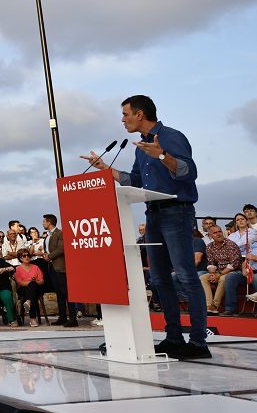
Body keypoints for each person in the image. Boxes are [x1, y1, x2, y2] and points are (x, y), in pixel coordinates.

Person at [82, 95, 209, 359]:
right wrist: (106, 169)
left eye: (125, 114)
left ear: (140, 114)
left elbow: (189, 172)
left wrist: (162, 154)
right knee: (160, 278)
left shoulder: (171, 136)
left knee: (186, 275)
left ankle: (198, 342)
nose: (123, 119)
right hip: (153, 215)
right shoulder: (141, 148)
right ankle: (174, 337)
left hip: (177, 213)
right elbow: (136, 180)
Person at [201, 226, 242, 314]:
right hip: (219, 271)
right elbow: (211, 262)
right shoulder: (209, 246)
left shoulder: (231, 244)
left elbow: (234, 264)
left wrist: (219, 274)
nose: (218, 234)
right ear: (211, 235)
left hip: (234, 272)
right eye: (215, 233)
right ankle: (208, 305)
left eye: (219, 231)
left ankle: (215, 306)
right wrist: (212, 274)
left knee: (224, 278)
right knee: (203, 277)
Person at [14, 250, 45, 327]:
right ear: (20, 258)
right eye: (24, 256)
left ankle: (28, 301)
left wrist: (34, 283)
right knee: (32, 293)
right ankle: (33, 319)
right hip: (23, 289)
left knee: (33, 289)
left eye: (28, 255)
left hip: (36, 288)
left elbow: (41, 281)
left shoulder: (35, 267)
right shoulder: (18, 269)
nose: (27, 257)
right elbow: (20, 283)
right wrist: (31, 283)